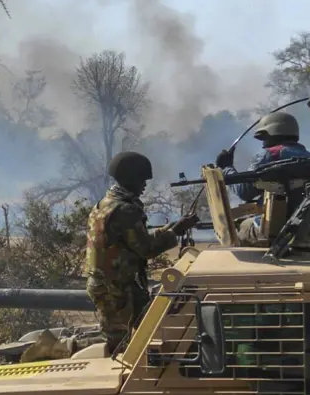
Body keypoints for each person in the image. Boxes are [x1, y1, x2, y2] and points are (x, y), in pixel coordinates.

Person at [84, 151, 199, 354]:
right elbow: (146, 248)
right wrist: (175, 232)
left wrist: (169, 229)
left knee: (150, 323)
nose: (145, 185)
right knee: (120, 343)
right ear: (131, 179)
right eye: (142, 180)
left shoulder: (106, 203)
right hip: (115, 289)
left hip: (113, 284)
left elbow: (135, 239)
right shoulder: (125, 210)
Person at [216, 112, 310, 246]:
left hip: (275, 229)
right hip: (305, 230)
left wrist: (226, 168)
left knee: (240, 228)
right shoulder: (307, 157)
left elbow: (244, 192)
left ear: (272, 133)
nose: (263, 144)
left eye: (264, 138)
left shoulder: (269, 155)